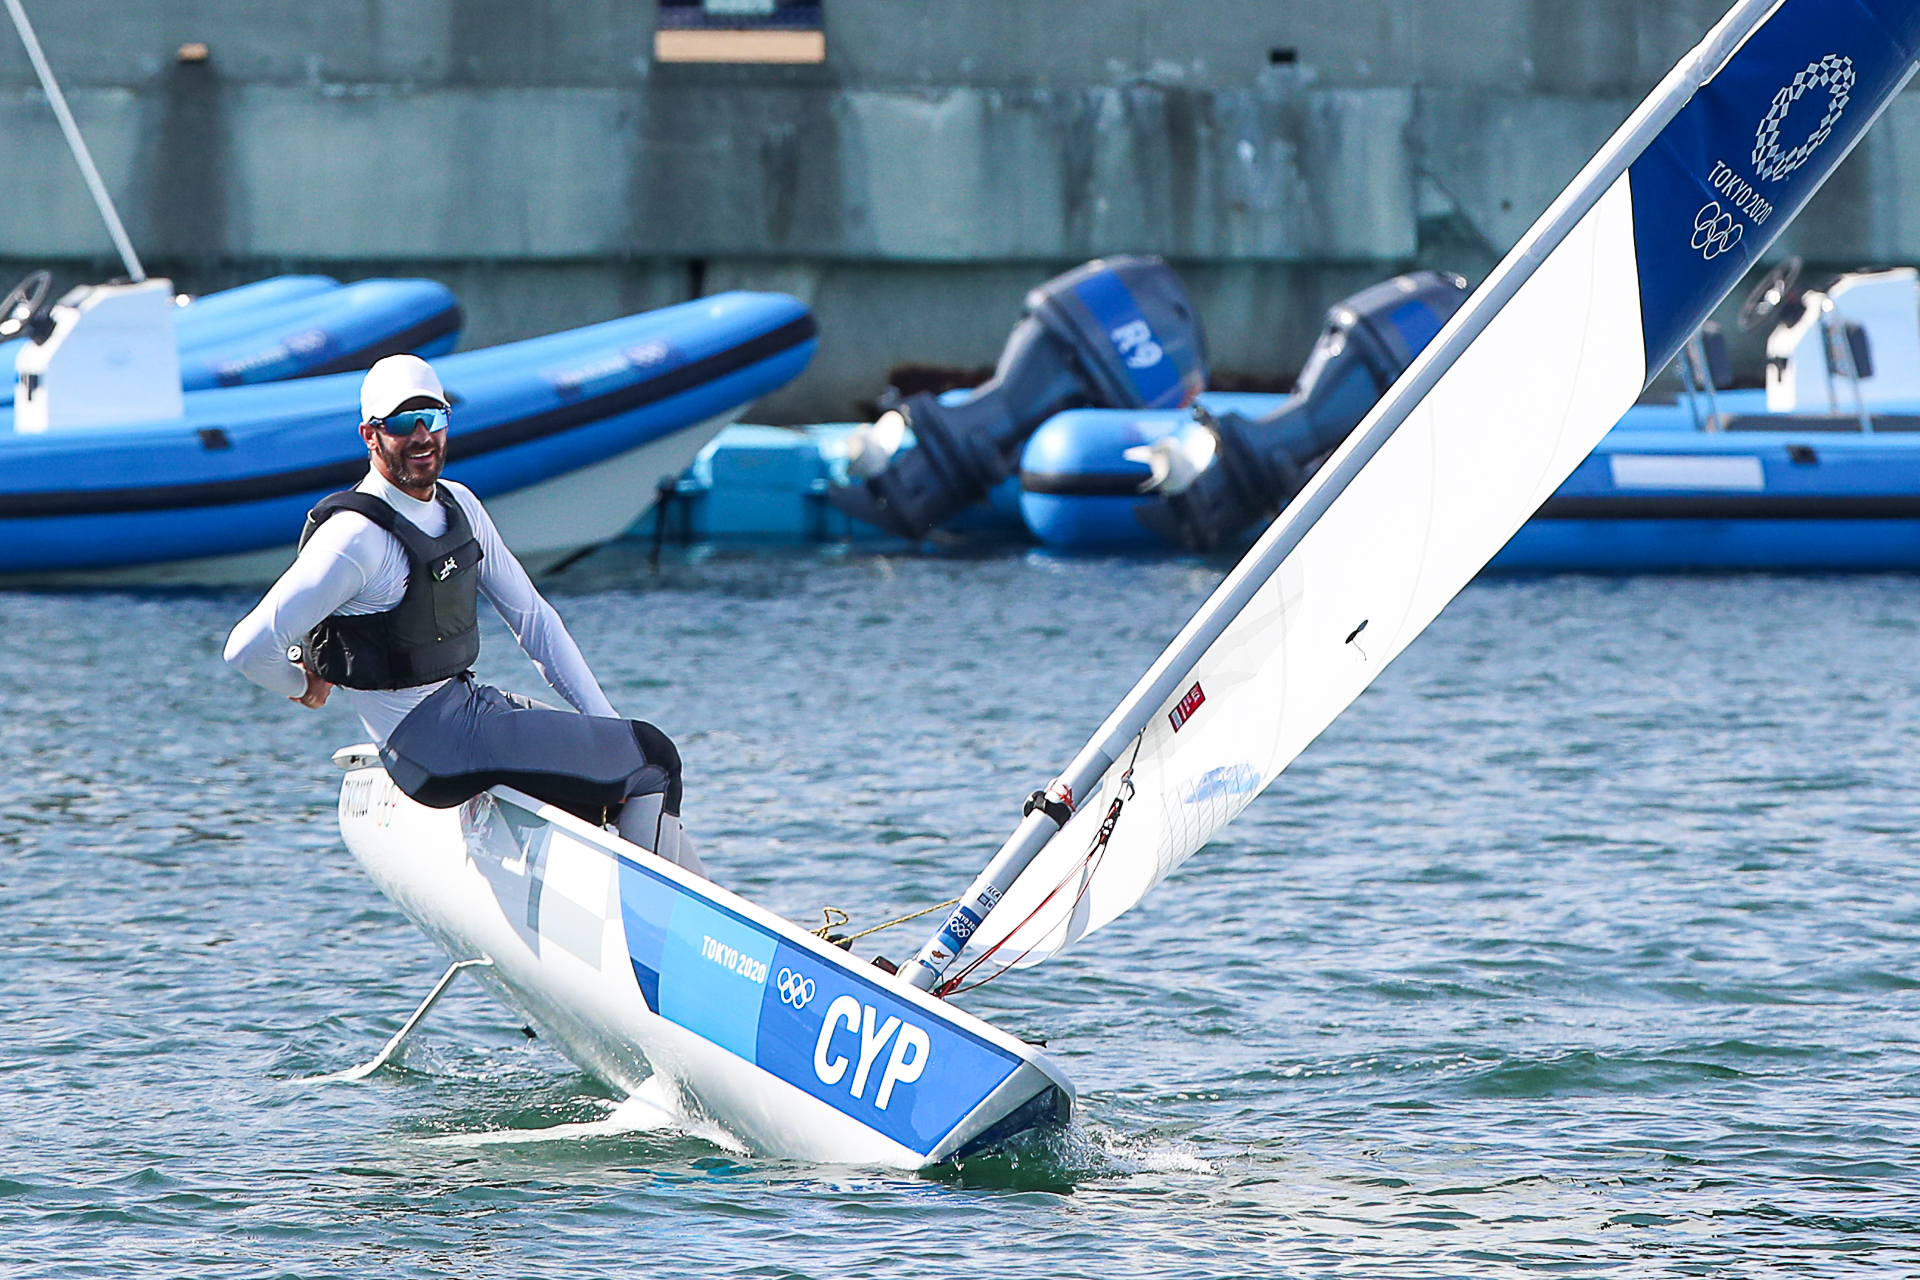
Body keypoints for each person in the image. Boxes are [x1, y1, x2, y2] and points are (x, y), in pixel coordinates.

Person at [224, 354, 702, 875]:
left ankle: (711, 905)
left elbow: (534, 621)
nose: (421, 436)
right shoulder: (355, 539)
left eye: (432, 418)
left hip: (467, 711)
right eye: (403, 423)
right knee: (655, 760)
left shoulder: (460, 506)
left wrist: (605, 728)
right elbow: (246, 648)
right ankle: (662, 923)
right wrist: (302, 685)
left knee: (620, 773)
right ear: (370, 436)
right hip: (431, 749)